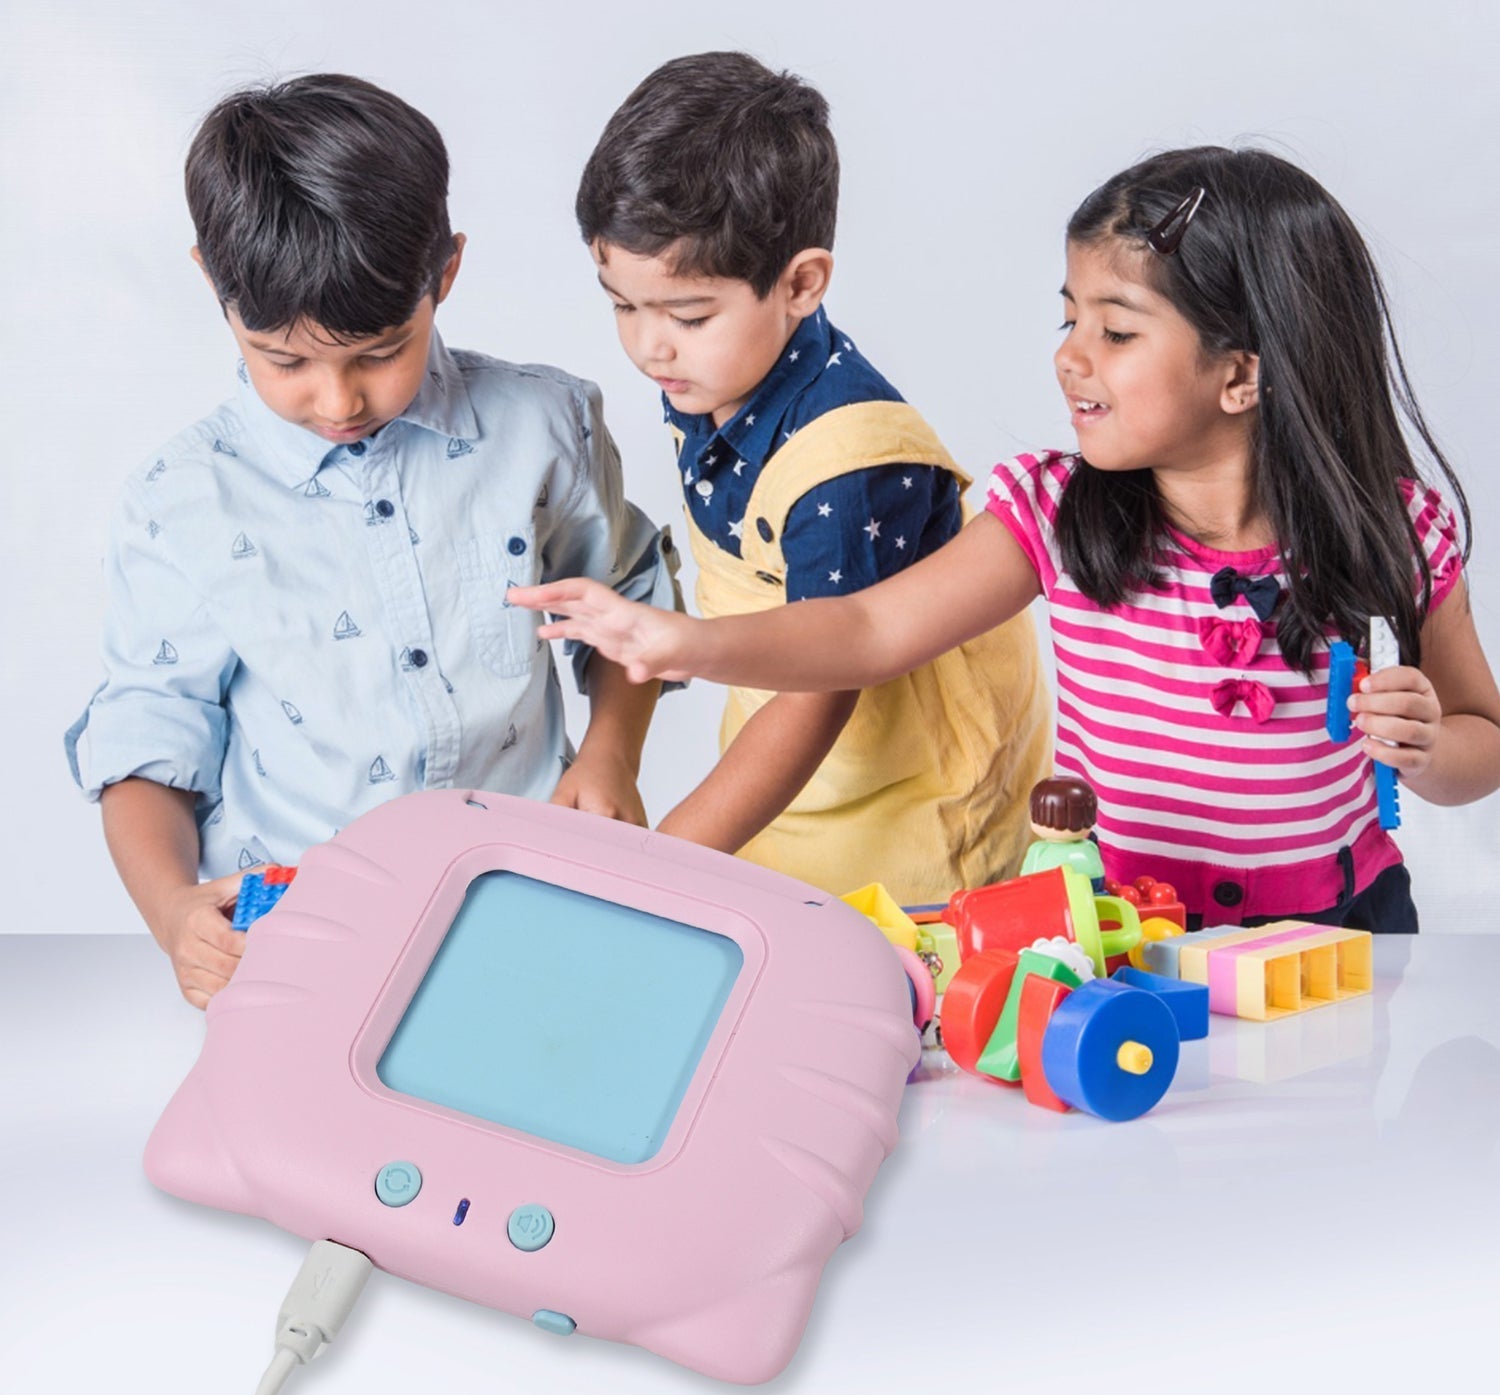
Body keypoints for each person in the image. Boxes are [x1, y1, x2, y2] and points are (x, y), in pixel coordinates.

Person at [512, 146, 1500, 933]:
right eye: (1068, 320)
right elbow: (864, 631)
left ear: (1241, 375)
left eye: (1117, 332)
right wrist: (686, 642)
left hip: (1344, 930)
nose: (1070, 357)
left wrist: (1426, 752)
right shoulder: (1056, 514)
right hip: (1120, 937)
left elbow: (1481, 743)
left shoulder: (1399, 531)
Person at [65, 74, 677, 1007]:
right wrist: (172, 909)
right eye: (285, 360)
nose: (338, 399)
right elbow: (152, 727)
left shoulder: (546, 425)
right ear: (213, 283)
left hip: (529, 904)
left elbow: (628, 606)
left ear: (445, 274)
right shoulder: (179, 500)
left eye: (381, 351)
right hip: (301, 942)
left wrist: (611, 756)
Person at [569, 51, 1052, 904]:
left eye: (688, 314)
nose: (649, 345)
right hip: (791, 786)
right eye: (623, 304)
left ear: (801, 284)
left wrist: (664, 862)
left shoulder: (854, 462)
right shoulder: (708, 374)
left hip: (916, 814)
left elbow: (824, 688)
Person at [1020, 777, 1105, 892]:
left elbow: (1025, 881)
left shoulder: (1038, 850)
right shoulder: (1090, 846)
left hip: (1048, 891)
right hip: (1091, 891)